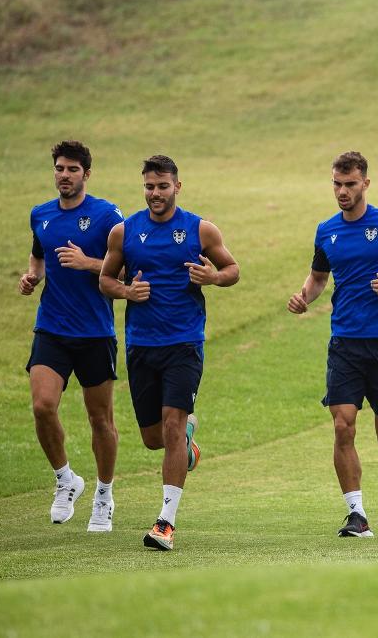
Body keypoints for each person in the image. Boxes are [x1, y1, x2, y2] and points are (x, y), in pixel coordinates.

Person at [99, 155, 239, 550]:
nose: (155, 193)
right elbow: (105, 279)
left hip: (184, 343)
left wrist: (212, 277)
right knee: (153, 437)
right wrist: (127, 291)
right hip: (142, 345)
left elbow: (233, 269)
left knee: (173, 424)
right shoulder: (123, 233)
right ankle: (187, 446)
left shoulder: (200, 229)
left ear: (178, 187)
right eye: (149, 187)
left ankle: (165, 523)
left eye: (162, 186)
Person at [287, 151, 378, 538]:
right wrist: (304, 297)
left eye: (350, 184)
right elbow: (317, 277)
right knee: (343, 426)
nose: (342, 191)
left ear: (365, 183)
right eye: (336, 184)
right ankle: (356, 514)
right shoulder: (326, 230)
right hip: (344, 342)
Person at [20, 140, 124, 531]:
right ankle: (66, 480)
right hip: (52, 327)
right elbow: (40, 255)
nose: (64, 175)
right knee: (43, 406)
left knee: (101, 420)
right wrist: (33, 276)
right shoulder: (41, 215)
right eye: (60, 169)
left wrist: (89, 263)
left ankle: (104, 495)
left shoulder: (107, 216)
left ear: (87, 174)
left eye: (72, 170)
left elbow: (128, 269)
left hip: (96, 331)